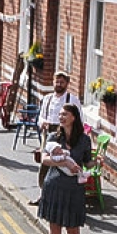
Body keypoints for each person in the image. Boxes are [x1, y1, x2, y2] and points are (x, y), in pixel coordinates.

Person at [37, 103, 92, 234]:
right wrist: (63, 163)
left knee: (73, 229)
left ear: (73, 117)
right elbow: (44, 159)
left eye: (64, 114)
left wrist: (97, 162)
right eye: (60, 114)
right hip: (54, 185)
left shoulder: (84, 140)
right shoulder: (54, 137)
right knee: (55, 227)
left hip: (74, 189)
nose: (61, 117)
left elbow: (87, 162)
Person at [30, 71, 83, 204]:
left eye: (62, 82)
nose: (58, 84)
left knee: (63, 165)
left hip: (65, 135)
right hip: (48, 134)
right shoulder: (47, 98)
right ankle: (43, 195)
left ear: (67, 84)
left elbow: (80, 119)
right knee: (44, 164)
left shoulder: (72, 99)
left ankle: (62, 198)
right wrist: (42, 122)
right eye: (56, 81)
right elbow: (41, 117)